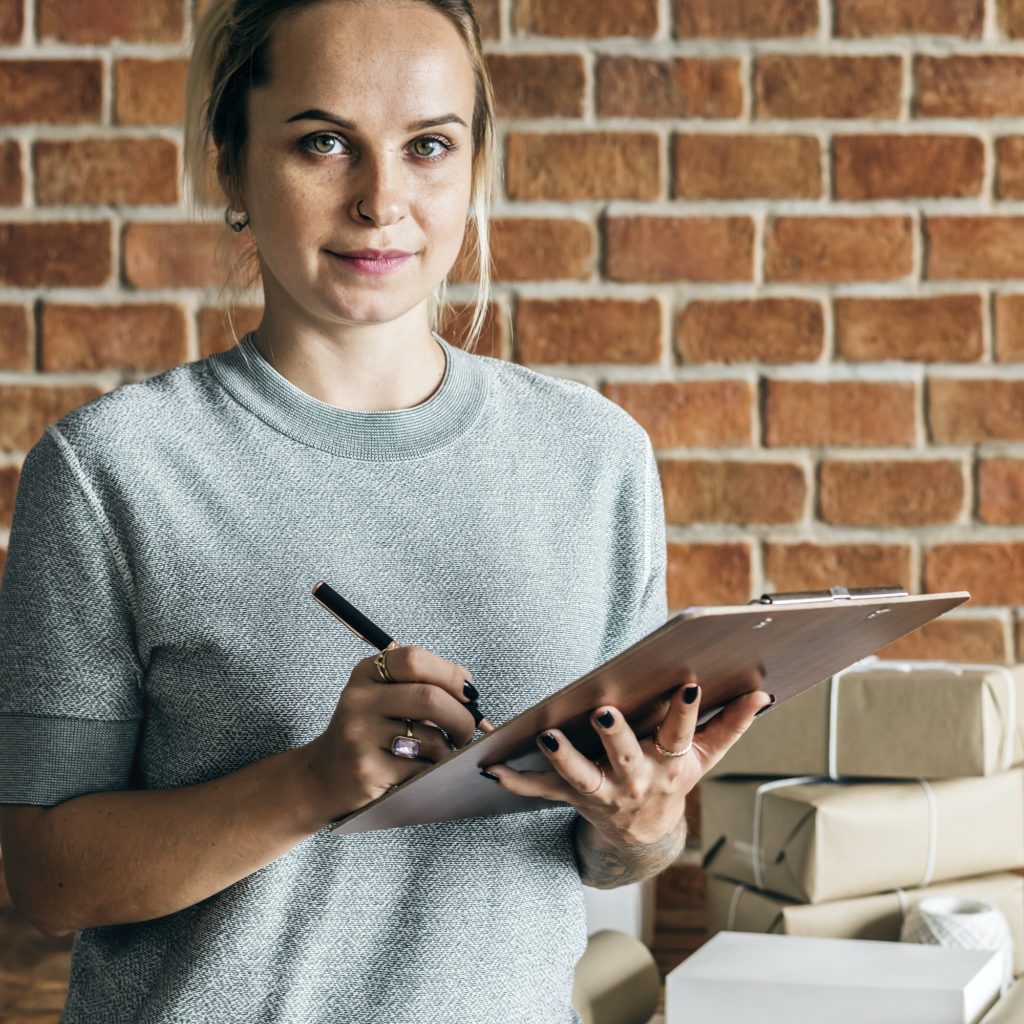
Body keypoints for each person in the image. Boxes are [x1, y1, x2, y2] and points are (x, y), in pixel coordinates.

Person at [0, 1, 770, 1021]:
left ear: (473, 169)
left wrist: (642, 818)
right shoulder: (111, 471)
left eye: (428, 147)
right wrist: (311, 782)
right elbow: (50, 880)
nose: (381, 199)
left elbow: (611, 853)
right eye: (324, 144)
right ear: (232, 167)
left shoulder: (596, 458)